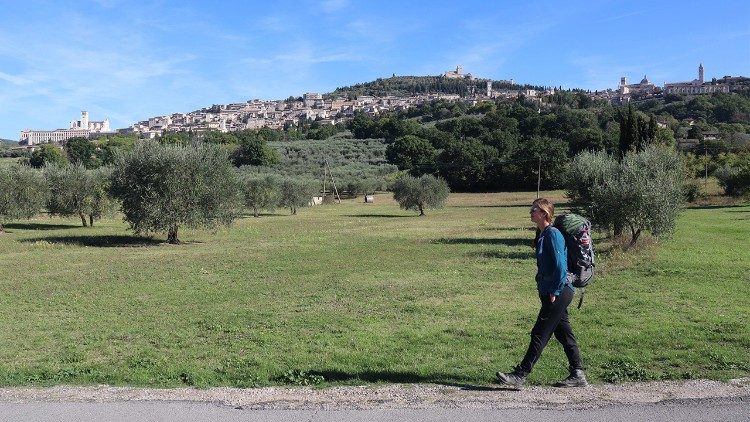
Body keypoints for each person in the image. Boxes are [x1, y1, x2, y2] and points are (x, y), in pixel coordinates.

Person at [495, 198, 587, 389]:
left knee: (540, 332)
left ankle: (520, 375)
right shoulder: (543, 233)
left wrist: (554, 290)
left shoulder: (553, 234)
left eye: (534, 209)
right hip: (553, 291)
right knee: (564, 334)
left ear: (544, 213)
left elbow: (561, 267)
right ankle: (578, 374)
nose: (530, 212)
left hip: (559, 291)